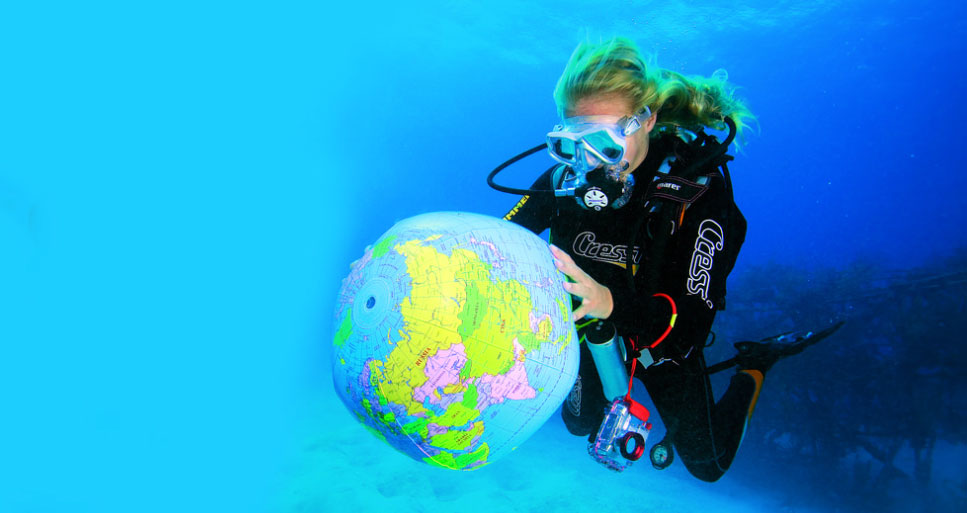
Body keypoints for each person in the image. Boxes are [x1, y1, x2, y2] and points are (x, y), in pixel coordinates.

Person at [491, 37, 841, 482]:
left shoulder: (697, 191)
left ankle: (756, 364)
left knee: (708, 464)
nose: (590, 163)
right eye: (574, 142)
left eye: (605, 142)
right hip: (590, 331)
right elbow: (504, 242)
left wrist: (610, 302)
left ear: (647, 119)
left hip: (663, 343)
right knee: (579, 423)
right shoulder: (564, 179)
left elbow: (690, 326)